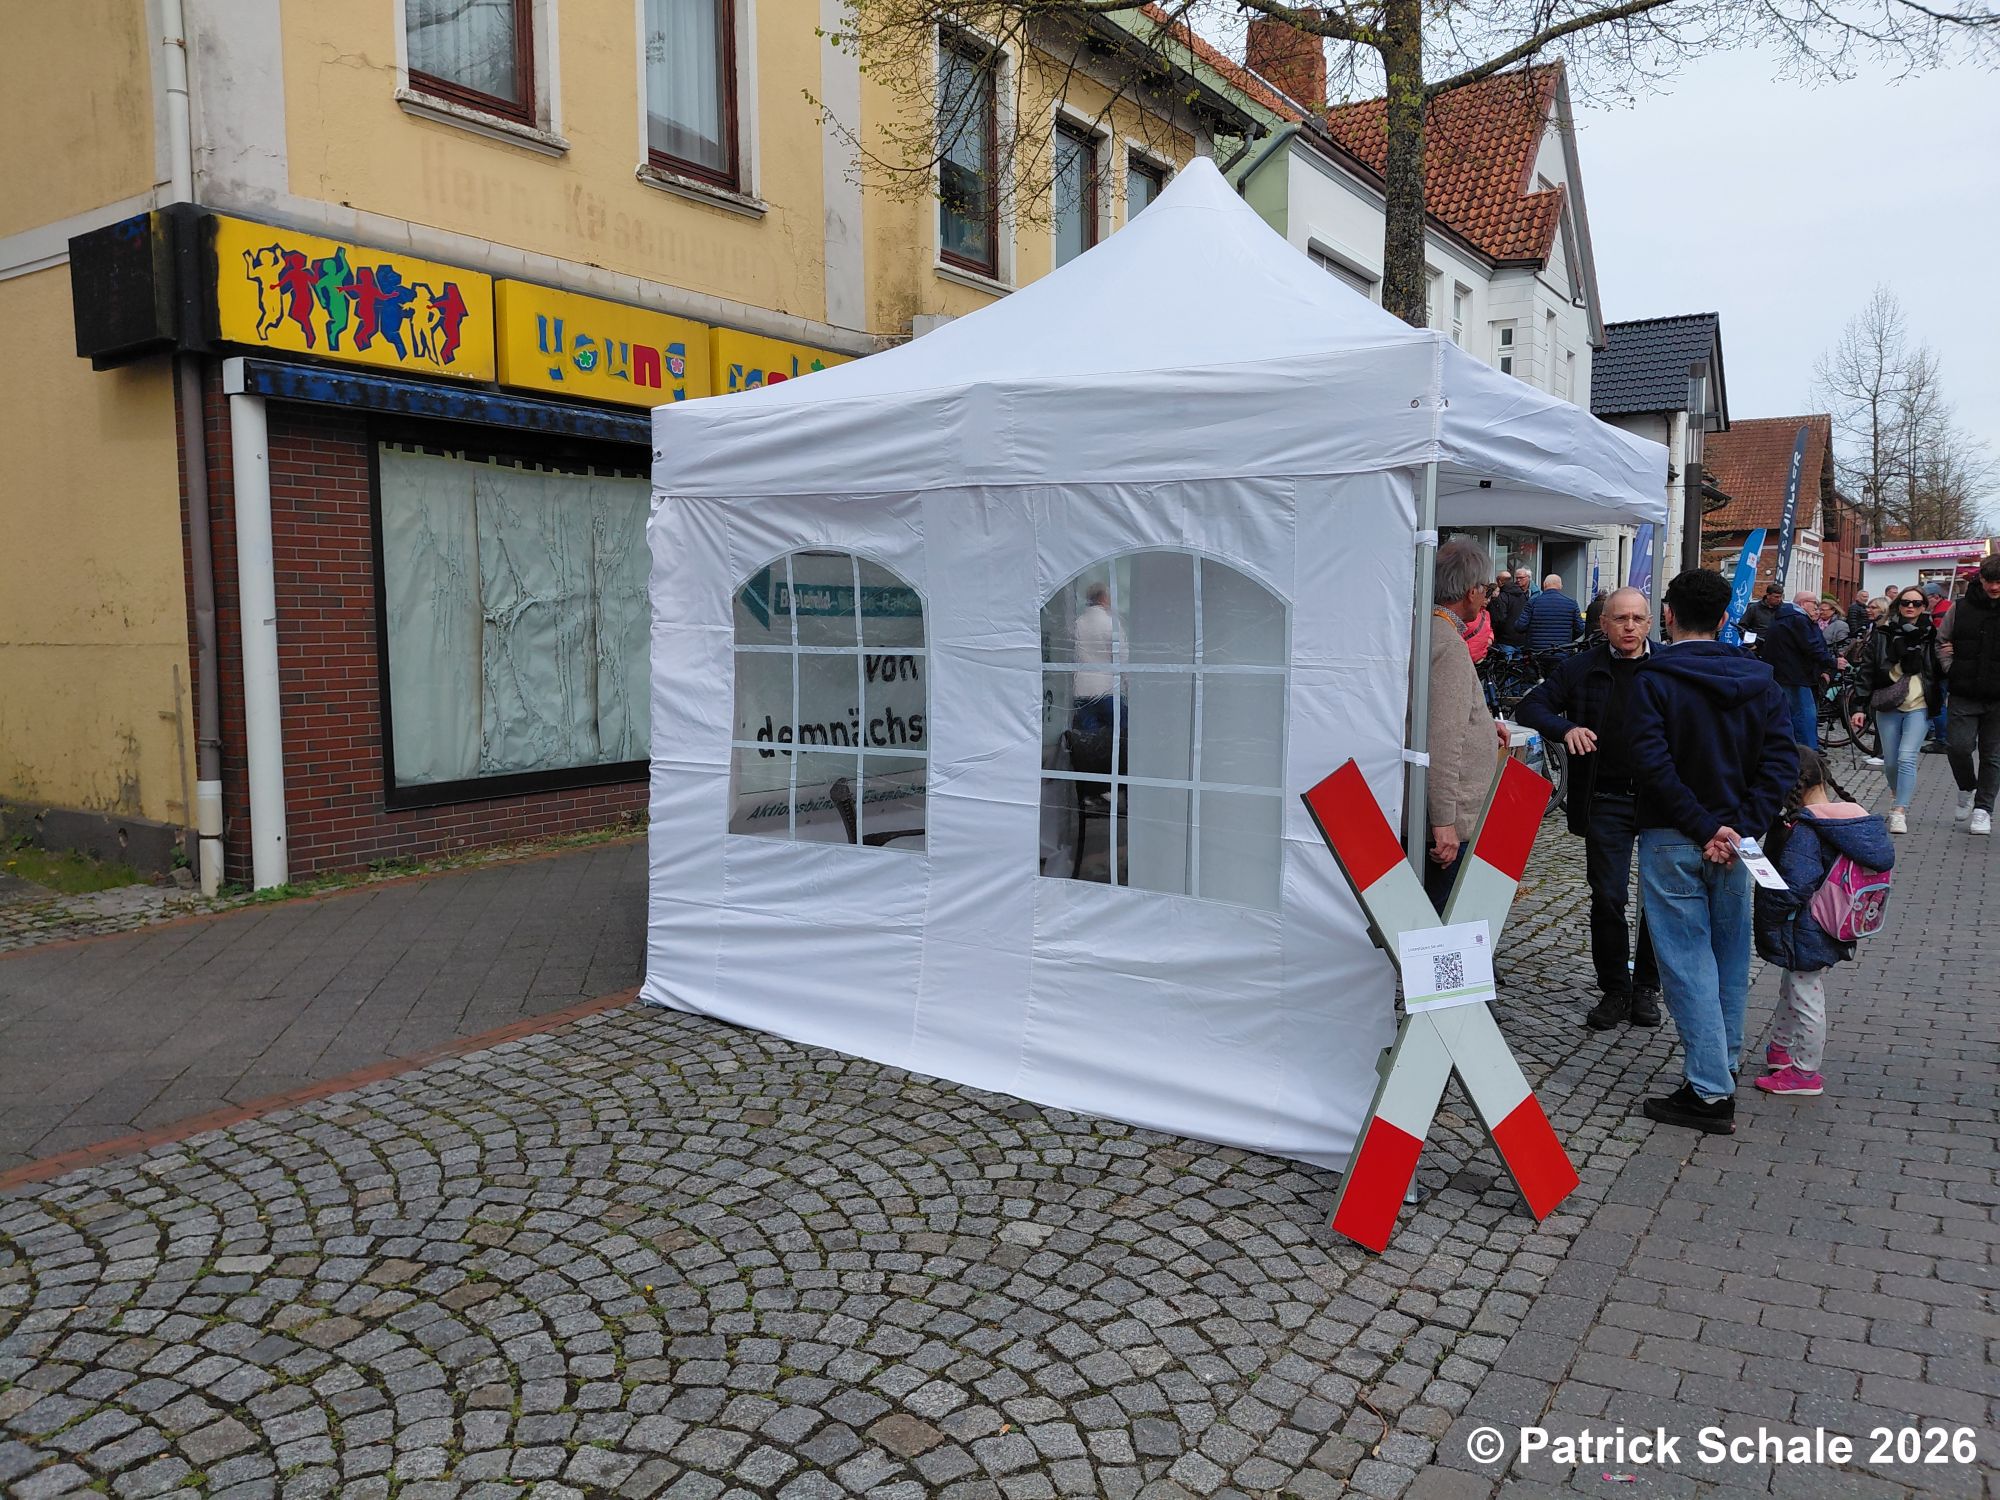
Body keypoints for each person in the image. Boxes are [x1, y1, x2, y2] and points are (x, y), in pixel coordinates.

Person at [1627, 567, 1799, 1135]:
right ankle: (1715, 1074)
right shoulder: (1763, 684)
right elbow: (1781, 765)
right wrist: (1738, 828)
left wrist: (1707, 829)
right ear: (1726, 618)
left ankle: (1708, 1090)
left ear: (1668, 616)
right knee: (1727, 960)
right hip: (1734, 842)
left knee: (1687, 964)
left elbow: (1652, 764)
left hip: (1676, 837)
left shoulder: (1652, 680)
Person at [1516, 586, 1662, 1030]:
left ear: (1650, 623)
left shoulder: (1670, 666)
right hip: (1606, 799)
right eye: (1620, 619)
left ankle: (1647, 989)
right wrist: (1565, 728)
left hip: (1661, 800)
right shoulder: (1581, 667)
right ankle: (1615, 988)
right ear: (1603, 624)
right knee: (1609, 897)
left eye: (1637, 619)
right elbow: (1530, 706)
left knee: (1658, 899)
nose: (1630, 627)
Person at [1751, 748, 1892, 1099]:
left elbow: (1797, 884)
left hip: (1808, 925)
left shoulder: (1808, 827)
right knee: (1794, 985)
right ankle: (1781, 1049)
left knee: (1806, 995)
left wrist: (1768, 909)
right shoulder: (1853, 817)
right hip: (1837, 920)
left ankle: (1805, 1073)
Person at [1427, 540, 1510, 911]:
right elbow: (1442, 738)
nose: (1487, 597)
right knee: (1445, 915)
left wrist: (1481, 725)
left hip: (1446, 812)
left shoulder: (1434, 632)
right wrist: (1445, 822)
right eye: (1487, 589)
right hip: (1452, 818)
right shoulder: (1447, 642)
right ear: (1471, 591)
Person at [1851, 587, 1943, 834]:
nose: (1910, 607)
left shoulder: (1933, 635)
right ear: (1898, 605)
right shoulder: (1882, 633)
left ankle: (1899, 810)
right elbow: (1867, 670)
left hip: (1919, 703)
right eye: (1905, 602)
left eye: (1916, 603)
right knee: (1890, 762)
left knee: (1906, 757)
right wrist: (1858, 706)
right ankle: (1895, 793)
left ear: (1924, 606)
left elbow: (1940, 670)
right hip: (1888, 702)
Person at [1939, 553, 2000, 835]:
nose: (1995, 587)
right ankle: (1966, 786)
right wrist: (1952, 669)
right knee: (1958, 747)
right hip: (1964, 691)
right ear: (1981, 579)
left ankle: (1983, 810)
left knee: (1992, 756)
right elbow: (1942, 640)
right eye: (1990, 581)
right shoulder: (1961, 608)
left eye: (1999, 582)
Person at [1756, 591, 1832, 748]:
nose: (1817, 608)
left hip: (1785, 673)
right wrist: (1832, 662)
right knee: (1804, 717)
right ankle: (1808, 755)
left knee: (1790, 715)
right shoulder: (1798, 620)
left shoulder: (1784, 617)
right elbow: (1812, 646)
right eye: (1814, 603)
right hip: (1797, 675)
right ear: (1804, 603)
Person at [1522, 573, 1585, 650]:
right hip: (1562, 650)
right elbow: (1580, 628)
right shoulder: (1572, 603)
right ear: (1560, 586)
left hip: (1537, 652)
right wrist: (1568, 639)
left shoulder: (1532, 602)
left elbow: (1520, 626)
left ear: (1544, 584)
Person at [1490, 568, 1531, 650]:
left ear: (1500, 582)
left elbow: (1500, 618)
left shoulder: (1503, 596)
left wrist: (1497, 635)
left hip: (1506, 639)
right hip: (1521, 639)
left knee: (1505, 662)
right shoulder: (1523, 595)